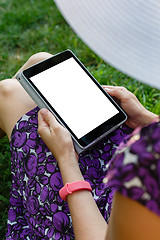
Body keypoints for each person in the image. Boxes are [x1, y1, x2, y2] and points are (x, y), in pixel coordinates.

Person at [0, 52, 158, 239]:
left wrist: (65, 157)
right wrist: (148, 119)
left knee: (7, 92)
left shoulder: (146, 177)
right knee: (41, 62)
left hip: (90, 217)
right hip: (119, 165)